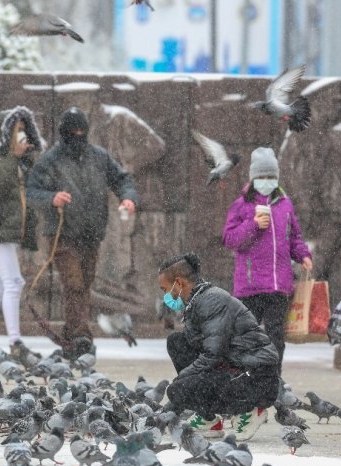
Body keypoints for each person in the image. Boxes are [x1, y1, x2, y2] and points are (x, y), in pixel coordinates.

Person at [26, 107, 139, 359]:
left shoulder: (99, 157)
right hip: (62, 235)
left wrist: (128, 198)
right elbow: (31, 192)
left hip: (91, 234)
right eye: (72, 132)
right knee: (74, 283)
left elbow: (122, 179)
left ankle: (72, 335)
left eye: (81, 132)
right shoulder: (50, 159)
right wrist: (51, 197)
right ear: (63, 133)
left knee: (84, 285)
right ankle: (81, 336)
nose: (77, 136)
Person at [159, 252, 280, 441]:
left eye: (165, 289)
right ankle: (208, 418)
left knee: (178, 390)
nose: (166, 295)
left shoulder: (211, 301)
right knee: (177, 343)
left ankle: (249, 409)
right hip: (237, 367)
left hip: (257, 377)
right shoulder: (198, 300)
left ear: (179, 283)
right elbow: (203, 349)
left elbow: (212, 354)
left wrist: (178, 390)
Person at [222, 147, 313, 375]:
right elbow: (230, 239)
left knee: (276, 336)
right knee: (247, 337)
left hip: (278, 284)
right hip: (250, 286)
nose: (266, 181)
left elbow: (294, 237)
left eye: (271, 177)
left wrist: (303, 255)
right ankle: (245, 377)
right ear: (253, 178)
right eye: (262, 177)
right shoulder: (241, 204)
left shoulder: (285, 204)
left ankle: (272, 379)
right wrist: (253, 225)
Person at [0, 106, 42, 362]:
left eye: (24, 129)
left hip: (10, 232)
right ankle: (15, 342)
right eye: (17, 130)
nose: (22, 135)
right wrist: (13, 157)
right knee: (14, 282)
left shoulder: (23, 162)